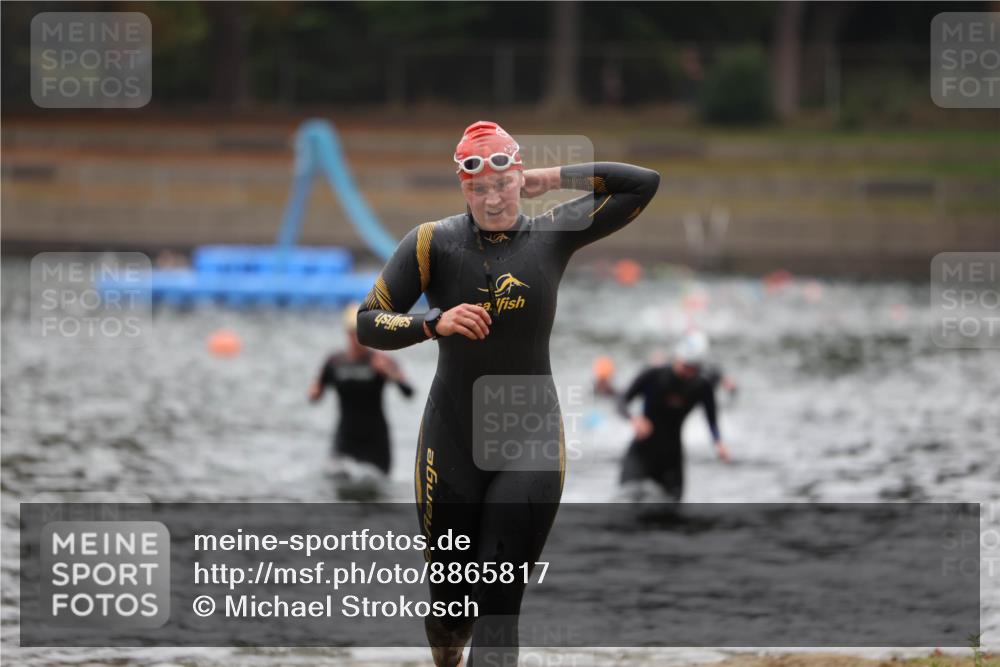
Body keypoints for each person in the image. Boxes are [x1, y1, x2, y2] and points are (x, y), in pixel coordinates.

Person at [356, 120, 660, 667]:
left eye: (504, 184)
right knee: (450, 609)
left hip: (530, 438)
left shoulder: (553, 233)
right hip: (452, 439)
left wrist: (551, 176)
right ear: (463, 188)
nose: (493, 198)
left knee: (499, 601)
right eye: (478, 189)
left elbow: (642, 184)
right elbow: (369, 322)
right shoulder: (431, 243)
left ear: (518, 179)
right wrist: (434, 322)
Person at [617, 331, 730, 502]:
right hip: (642, 452)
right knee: (627, 499)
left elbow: (711, 418)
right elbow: (622, 401)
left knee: (672, 510)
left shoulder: (701, 386)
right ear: (677, 358)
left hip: (672, 456)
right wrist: (634, 419)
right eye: (685, 366)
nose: (687, 373)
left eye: (693, 369)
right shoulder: (653, 376)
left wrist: (718, 442)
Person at [310, 303, 414, 478]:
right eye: (353, 332)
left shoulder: (381, 361)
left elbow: (409, 392)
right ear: (347, 333)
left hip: (376, 442)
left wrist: (391, 374)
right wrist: (315, 388)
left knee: (375, 489)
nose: (357, 338)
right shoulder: (334, 362)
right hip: (345, 439)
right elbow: (314, 395)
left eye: (361, 332)